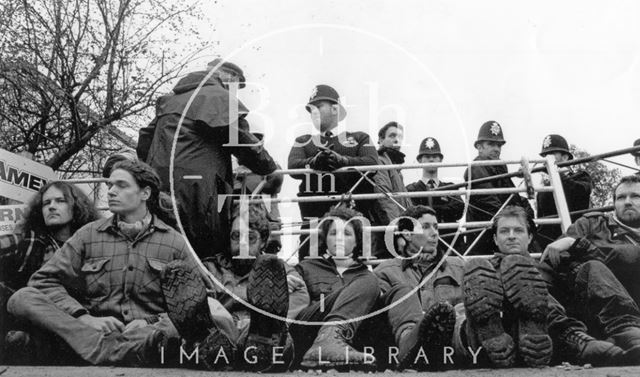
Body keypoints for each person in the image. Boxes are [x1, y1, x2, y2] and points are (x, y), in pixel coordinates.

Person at [6, 161, 200, 366]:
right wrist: (83, 317)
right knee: (21, 298)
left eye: (121, 185)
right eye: (110, 186)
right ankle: (109, 350)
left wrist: (150, 321)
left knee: (180, 327)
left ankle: (102, 350)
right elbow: (42, 281)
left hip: (145, 334)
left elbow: (197, 301)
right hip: (90, 331)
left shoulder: (174, 242)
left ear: (145, 193)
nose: (111, 192)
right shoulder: (88, 234)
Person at [137, 58, 278, 259]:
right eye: (237, 86)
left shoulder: (171, 101)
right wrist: (268, 165)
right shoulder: (218, 97)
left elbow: (144, 143)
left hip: (159, 190)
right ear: (229, 78)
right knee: (204, 253)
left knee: (162, 248)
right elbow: (243, 142)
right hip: (199, 195)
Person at [165, 202, 309, 371]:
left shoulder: (277, 269)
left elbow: (300, 296)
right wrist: (249, 298)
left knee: (274, 333)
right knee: (206, 322)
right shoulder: (210, 268)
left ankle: (256, 344)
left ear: (263, 241)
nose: (242, 244)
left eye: (250, 237)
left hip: (264, 336)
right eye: (236, 236)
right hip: (219, 333)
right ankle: (222, 350)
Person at [0, 181, 99, 363]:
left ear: (76, 207)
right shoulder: (28, 241)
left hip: (78, 324)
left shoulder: (92, 245)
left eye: (60, 201)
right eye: (47, 203)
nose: (52, 207)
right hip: (29, 321)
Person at [287, 85, 378, 259]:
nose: (313, 112)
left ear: (335, 108)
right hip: (314, 224)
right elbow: (292, 167)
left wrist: (343, 161)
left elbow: (373, 163)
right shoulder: (303, 141)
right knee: (309, 269)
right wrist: (313, 162)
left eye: (318, 106)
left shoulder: (359, 138)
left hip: (353, 223)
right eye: (310, 109)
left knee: (356, 272)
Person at [460, 206, 552, 367]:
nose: (511, 236)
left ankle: (534, 336)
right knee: (473, 308)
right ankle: (490, 335)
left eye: (518, 230)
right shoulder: (480, 272)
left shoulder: (546, 270)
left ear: (530, 237)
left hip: (538, 334)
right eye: (504, 231)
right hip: (491, 334)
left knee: (546, 306)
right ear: (495, 239)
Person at [291, 207, 380, 370]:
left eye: (346, 234)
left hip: (352, 336)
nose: (339, 239)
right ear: (325, 239)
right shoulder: (306, 267)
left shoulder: (365, 276)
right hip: (311, 327)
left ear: (357, 241)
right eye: (333, 233)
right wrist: (288, 282)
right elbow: (296, 309)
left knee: (374, 281)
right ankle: (327, 339)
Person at [373, 205, 460, 370]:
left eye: (436, 227)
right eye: (426, 227)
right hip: (406, 356)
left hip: (453, 351)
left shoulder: (459, 268)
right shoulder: (385, 272)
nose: (434, 233)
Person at [463, 121, 532, 255]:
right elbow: (491, 205)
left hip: (503, 234)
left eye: (499, 145)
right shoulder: (476, 169)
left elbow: (515, 198)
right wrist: (521, 218)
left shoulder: (500, 167)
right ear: (479, 147)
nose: (497, 149)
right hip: (485, 240)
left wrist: (526, 212)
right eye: (491, 144)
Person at [406, 137, 464, 251]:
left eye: (435, 156)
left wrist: (428, 209)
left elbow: (459, 210)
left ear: (440, 160)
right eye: (427, 157)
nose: (431, 160)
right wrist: (443, 209)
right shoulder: (411, 189)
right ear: (420, 160)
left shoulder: (451, 187)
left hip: (450, 245)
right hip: (422, 246)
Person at [536, 134, 592, 248]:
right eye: (545, 155)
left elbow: (580, 192)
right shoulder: (544, 189)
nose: (547, 158)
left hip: (575, 241)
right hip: (549, 244)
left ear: (565, 157)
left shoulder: (581, 177)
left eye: (552, 154)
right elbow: (542, 221)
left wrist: (561, 176)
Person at [370, 122, 412, 258]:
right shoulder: (380, 161)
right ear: (381, 140)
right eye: (392, 135)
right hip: (387, 237)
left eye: (399, 136)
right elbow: (385, 200)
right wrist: (398, 234)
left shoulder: (394, 166)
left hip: (397, 232)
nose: (396, 139)